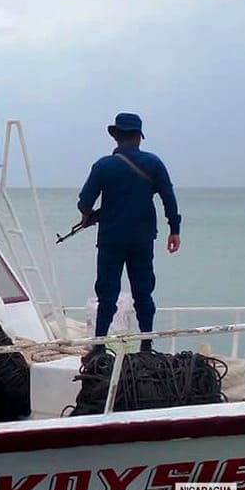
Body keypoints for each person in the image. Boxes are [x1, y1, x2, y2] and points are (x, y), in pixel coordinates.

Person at [78, 112, 181, 356]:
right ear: (138, 137)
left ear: (116, 137)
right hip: (142, 238)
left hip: (111, 239)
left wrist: (88, 215)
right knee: (143, 291)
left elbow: (84, 202)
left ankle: (100, 345)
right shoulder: (154, 163)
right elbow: (169, 198)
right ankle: (146, 345)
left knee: (107, 292)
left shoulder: (103, 166)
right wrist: (174, 229)